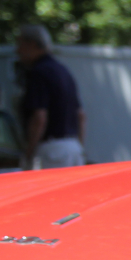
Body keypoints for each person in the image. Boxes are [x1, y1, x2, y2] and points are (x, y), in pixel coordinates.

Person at [16, 24, 85, 169]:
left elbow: (39, 117)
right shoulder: (63, 70)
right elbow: (81, 116)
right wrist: (79, 148)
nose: (18, 51)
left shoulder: (39, 72)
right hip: (73, 147)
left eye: (20, 44)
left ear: (32, 44)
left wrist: (29, 152)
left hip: (52, 151)